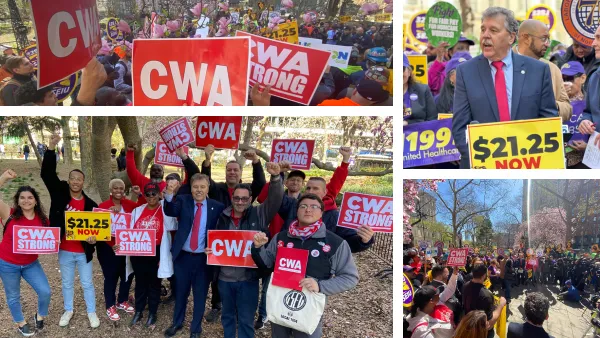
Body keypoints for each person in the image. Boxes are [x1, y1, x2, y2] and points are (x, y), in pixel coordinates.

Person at [452, 7, 558, 168]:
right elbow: (460, 128)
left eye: (493, 30)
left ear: (511, 37)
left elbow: (548, 121)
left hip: (528, 164)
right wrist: (484, 161)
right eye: (483, 29)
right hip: (482, 169)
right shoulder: (465, 72)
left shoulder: (538, 70)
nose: (485, 35)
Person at [251, 193, 359, 338]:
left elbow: (350, 277)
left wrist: (320, 285)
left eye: (314, 206)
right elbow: (267, 263)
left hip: (309, 307)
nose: (308, 210)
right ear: (297, 211)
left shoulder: (335, 243)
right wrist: (258, 248)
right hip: (280, 303)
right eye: (303, 206)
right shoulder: (281, 237)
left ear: (321, 212)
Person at [206, 163, 283, 338]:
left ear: (250, 200)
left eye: (244, 199)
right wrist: (211, 251)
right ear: (232, 198)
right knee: (227, 317)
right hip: (225, 279)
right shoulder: (223, 217)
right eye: (237, 198)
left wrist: (276, 178)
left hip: (248, 279)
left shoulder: (258, 214)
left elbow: (275, 200)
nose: (240, 202)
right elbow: (217, 243)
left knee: (246, 320)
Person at [40, 134, 100, 328]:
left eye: (79, 179)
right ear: (69, 180)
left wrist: (94, 240)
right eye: (72, 178)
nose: (75, 182)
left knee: (87, 283)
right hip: (64, 249)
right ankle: (69, 310)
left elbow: (98, 231)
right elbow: (47, 174)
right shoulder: (59, 192)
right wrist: (50, 148)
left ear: (83, 182)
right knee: (66, 283)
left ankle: (91, 312)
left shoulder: (91, 205)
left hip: (83, 252)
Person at [200, 145, 266, 322]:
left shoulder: (246, 190)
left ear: (240, 172)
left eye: (235, 170)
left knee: (241, 275)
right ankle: (216, 305)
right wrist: (207, 159)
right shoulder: (218, 188)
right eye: (229, 170)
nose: (231, 172)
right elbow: (205, 179)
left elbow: (260, 183)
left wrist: (256, 162)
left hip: (243, 238)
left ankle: (238, 309)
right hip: (222, 237)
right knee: (218, 274)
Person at [163, 174, 225, 338]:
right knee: (181, 292)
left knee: (200, 295)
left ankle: (196, 329)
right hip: (183, 257)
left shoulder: (216, 207)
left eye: (202, 187)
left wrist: (216, 246)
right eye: (195, 187)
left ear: (208, 188)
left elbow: (222, 230)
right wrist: (169, 194)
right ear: (190, 188)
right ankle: (177, 323)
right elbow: (170, 210)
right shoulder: (183, 201)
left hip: (202, 260)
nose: (199, 190)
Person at [0, 170, 51, 337]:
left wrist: (52, 243)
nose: (26, 200)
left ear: (35, 200)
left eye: (30, 197)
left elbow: (47, 241)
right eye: (22, 197)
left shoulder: (43, 220)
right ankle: (21, 323)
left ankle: (39, 316)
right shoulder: (9, 214)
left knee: (45, 291)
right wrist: (4, 178)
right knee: (13, 295)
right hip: (7, 263)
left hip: (30, 264)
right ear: (18, 200)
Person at [126, 182, 177, 329]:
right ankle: (139, 310)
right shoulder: (138, 210)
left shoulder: (164, 209)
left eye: (154, 193)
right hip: (139, 252)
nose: (150, 197)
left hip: (157, 252)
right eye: (147, 194)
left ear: (159, 194)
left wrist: (163, 258)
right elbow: (130, 231)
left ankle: (153, 313)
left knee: (154, 284)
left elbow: (173, 225)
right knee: (140, 283)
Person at [97, 179, 141, 321]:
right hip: (108, 248)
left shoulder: (128, 204)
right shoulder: (103, 206)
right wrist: (111, 244)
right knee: (111, 277)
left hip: (127, 247)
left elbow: (142, 208)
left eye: (121, 188)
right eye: (115, 188)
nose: (118, 191)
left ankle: (122, 300)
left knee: (127, 275)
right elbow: (98, 230)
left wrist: (139, 194)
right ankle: (110, 305)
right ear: (110, 190)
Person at [514, 19, 572, 122]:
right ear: (526, 38)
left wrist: (549, 105)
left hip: (543, 135)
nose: (548, 44)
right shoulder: (503, 63)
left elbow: (567, 108)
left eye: (548, 39)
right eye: (544, 39)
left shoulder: (552, 69)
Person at [463, 263, 507, 338]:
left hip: (469, 327)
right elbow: (489, 324)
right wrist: (501, 305)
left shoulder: (465, 285)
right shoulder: (486, 295)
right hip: (483, 333)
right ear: (484, 276)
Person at [578, 26, 600, 147]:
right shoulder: (594, 77)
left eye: (598, 38)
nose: (593, 43)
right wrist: (585, 121)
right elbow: (588, 112)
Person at [404, 53, 437, 124]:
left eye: (402, 69)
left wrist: (407, 123)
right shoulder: (384, 93)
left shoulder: (423, 90)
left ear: (409, 72)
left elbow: (432, 119)